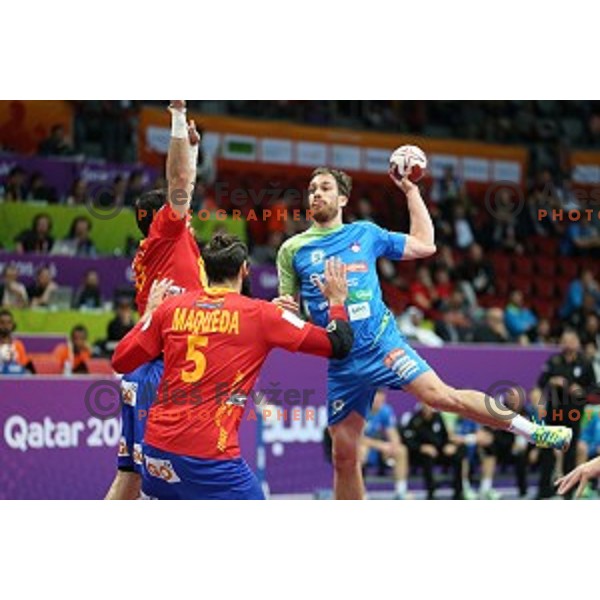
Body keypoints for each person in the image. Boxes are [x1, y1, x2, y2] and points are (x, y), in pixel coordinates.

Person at [276, 166, 572, 500]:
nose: (316, 193)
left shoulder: (365, 234)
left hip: (382, 346)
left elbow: (424, 244)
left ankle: (534, 431)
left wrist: (410, 190)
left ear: (342, 198)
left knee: (442, 397)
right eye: (312, 188)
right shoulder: (292, 250)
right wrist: (286, 312)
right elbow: (290, 312)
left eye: (325, 188)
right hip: (342, 360)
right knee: (344, 456)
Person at [111, 237, 354, 500]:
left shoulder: (170, 308)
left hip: (156, 454)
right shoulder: (262, 316)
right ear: (244, 270)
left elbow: (121, 360)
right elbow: (338, 343)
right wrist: (337, 302)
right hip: (209, 460)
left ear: (204, 269)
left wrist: (149, 313)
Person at [105, 100, 205, 500]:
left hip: (146, 368)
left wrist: (193, 150)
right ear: (160, 215)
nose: (187, 211)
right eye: (178, 208)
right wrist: (178, 118)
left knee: (128, 479)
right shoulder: (167, 234)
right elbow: (180, 181)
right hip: (162, 370)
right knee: (160, 484)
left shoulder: (160, 248)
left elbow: (187, 182)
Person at [534, 329, 597, 499]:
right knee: (546, 450)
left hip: (574, 413)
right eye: (565, 340)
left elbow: (593, 389)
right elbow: (540, 384)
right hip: (553, 413)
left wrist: (581, 390)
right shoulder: (554, 361)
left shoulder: (585, 363)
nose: (568, 343)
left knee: (570, 451)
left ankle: (567, 493)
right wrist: (540, 402)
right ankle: (543, 491)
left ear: (577, 343)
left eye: (571, 340)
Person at [402, 403, 466, 500]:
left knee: (458, 454)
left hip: (439, 451)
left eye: (430, 405)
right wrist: (422, 447)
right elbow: (408, 440)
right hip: (420, 454)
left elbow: (445, 436)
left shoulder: (438, 417)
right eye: (425, 405)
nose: (428, 408)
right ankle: (431, 492)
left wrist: (448, 445)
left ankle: (459, 492)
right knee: (427, 458)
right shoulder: (415, 420)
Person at [360, 390, 409, 499]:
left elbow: (393, 434)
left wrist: (392, 447)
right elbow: (357, 439)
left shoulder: (386, 410)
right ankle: (360, 492)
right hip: (362, 448)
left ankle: (400, 492)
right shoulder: (360, 410)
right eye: (376, 399)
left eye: (381, 399)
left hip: (379, 450)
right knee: (361, 451)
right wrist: (381, 446)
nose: (378, 402)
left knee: (401, 450)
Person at [0, 309, 34, 374]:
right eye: (2, 323)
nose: (5, 326)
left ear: (13, 325)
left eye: (9, 323)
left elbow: (24, 366)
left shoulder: (18, 345)